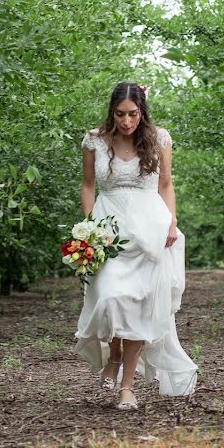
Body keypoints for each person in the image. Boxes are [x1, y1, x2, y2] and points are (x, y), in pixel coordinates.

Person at [73, 82, 197, 410]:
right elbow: (87, 185)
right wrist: (90, 227)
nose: (127, 121)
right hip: (109, 227)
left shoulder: (159, 139)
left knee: (141, 304)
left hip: (150, 227)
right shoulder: (94, 140)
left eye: (133, 114)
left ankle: (127, 386)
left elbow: (166, 185)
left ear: (142, 112)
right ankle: (113, 354)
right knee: (112, 297)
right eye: (120, 114)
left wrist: (171, 222)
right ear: (111, 111)